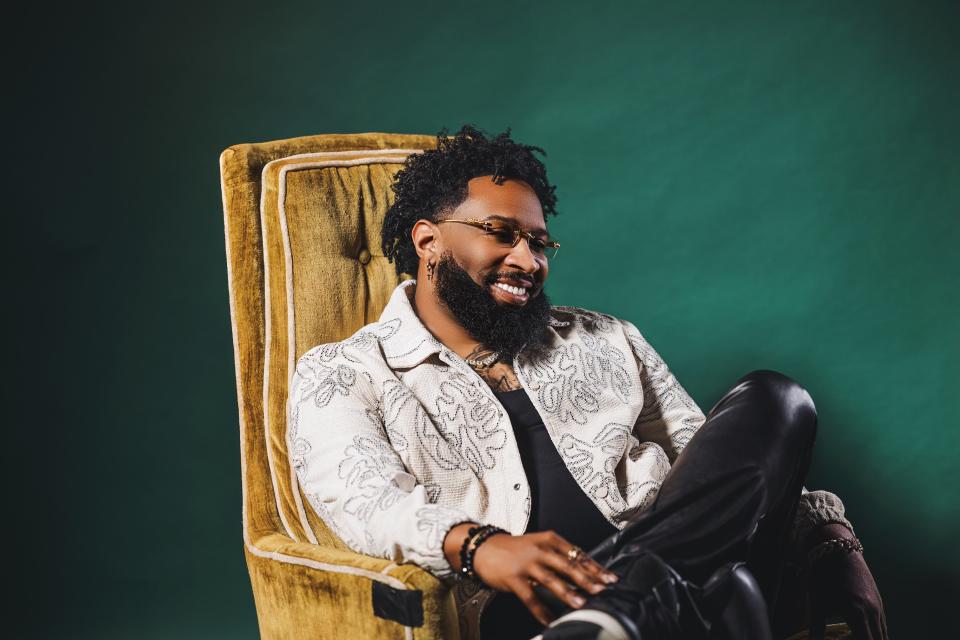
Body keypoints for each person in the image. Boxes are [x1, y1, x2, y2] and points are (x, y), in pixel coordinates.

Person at [287, 124, 887, 639]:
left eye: (539, 242)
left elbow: (716, 468)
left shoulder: (604, 337)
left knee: (777, 398)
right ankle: (615, 614)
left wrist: (831, 539)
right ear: (428, 240)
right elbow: (366, 502)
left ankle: (620, 609)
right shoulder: (344, 370)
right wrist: (479, 545)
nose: (528, 260)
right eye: (501, 233)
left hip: (662, 579)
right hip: (531, 610)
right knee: (732, 595)